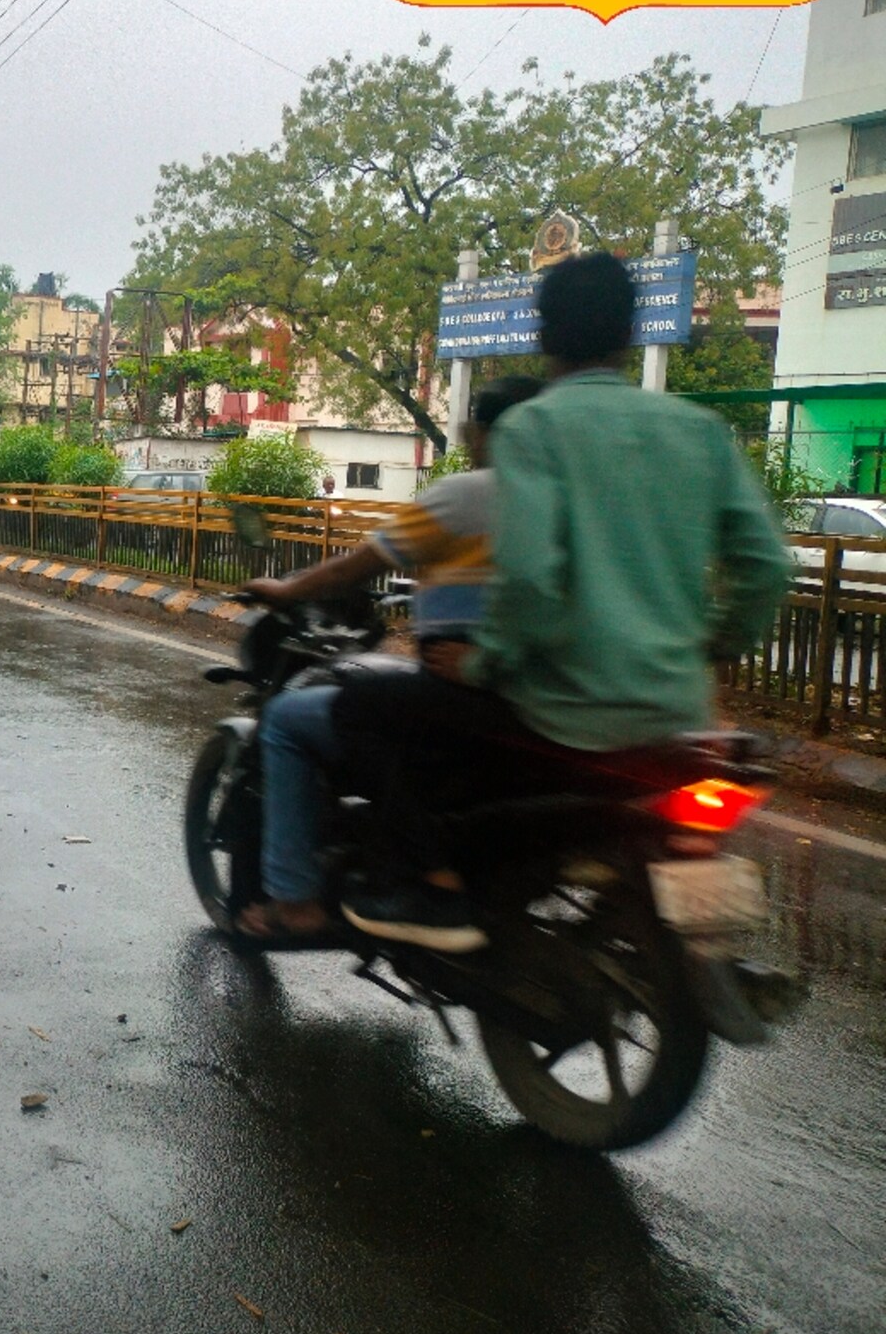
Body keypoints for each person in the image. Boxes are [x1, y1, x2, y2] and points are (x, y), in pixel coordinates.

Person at [330, 252, 792, 950]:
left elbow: (534, 581)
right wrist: (709, 646)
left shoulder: (532, 430)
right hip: (676, 714)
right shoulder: (698, 431)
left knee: (357, 704)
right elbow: (765, 566)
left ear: (543, 335)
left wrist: (485, 665)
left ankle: (429, 891)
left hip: (562, 717)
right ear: (631, 333)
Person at [234, 374, 543, 944]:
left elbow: (358, 566)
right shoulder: (564, 499)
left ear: (478, 433)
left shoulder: (468, 494)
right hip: (548, 701)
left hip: (474, 696)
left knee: (292, 721)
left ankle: (299, 902)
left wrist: (285, 590)